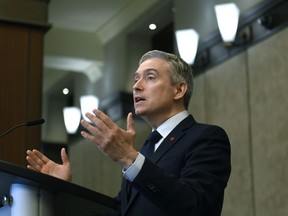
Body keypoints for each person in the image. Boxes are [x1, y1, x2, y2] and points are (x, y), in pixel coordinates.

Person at [26, 50, 231, 216]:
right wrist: (64, 190)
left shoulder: (207, 138)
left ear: (179, 90)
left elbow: (196, 206)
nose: (136, 86)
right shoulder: (147, 149)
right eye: (135, 79)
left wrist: (129, 158)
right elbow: (117, 211)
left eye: (150, 77)